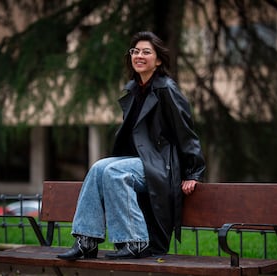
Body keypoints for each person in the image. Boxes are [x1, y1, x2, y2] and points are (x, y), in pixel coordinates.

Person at [57, 31, 205, 260]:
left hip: (161, 165)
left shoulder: (166, 89)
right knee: (98, 167)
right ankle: (86, 240)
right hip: (141, 163)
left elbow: (186, 133)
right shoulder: (135, 90)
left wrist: (193, 172)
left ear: (158, 60)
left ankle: (135, 241)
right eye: (135, 51)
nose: (139, 55)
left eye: (146, 52)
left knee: (115, 171)